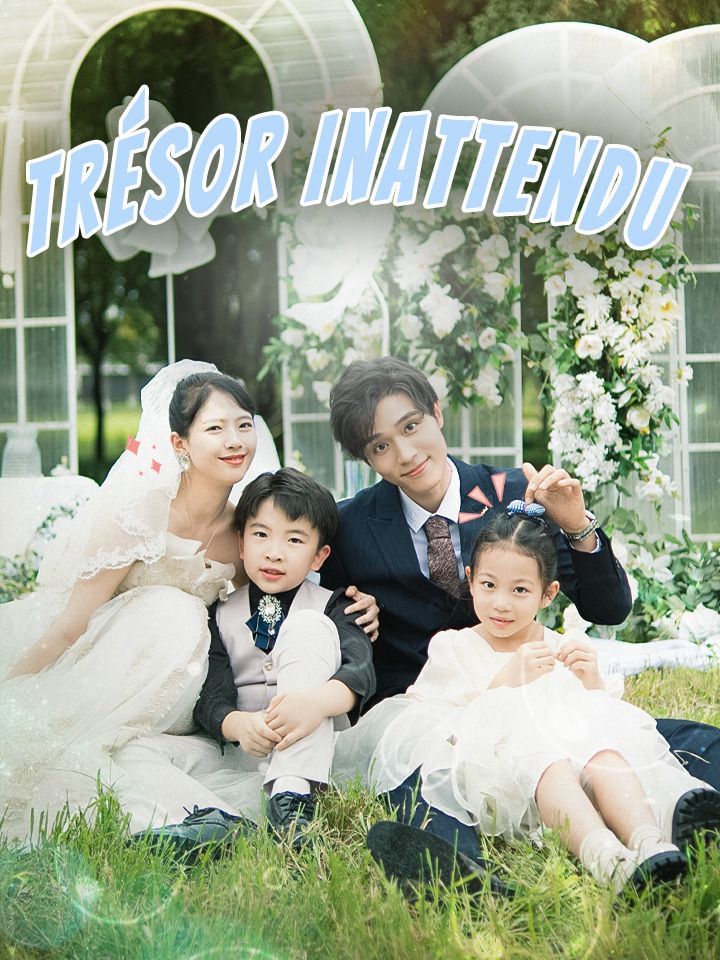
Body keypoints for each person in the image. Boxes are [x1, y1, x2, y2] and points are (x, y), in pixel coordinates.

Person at [323, 356, 720, 891]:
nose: (406, 453)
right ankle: (468, 878)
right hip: (436, 711)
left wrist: (576, 524)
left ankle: (680, 821)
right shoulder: (351, 525)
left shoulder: (514, 492)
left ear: (436, 412)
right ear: (366, 457)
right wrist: (349, 613)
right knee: (425, 782)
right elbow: (319, 605)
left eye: (411, 426)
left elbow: (609, 609)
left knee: (656, 741)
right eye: (380, 446)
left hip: (537, 698)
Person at [0, 361, 377, 845]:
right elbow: (69, 627)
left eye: (244, 425)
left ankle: (269, 803)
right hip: (108, 662)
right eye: (215, 429)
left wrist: (354, 603)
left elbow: (288, 581)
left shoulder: (245, 531)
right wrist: (15, 693)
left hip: (187, 687)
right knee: (172, 614)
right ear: (179, 443)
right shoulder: (135, 515)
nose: (235, 440)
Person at [336, 504, 720, 892]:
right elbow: (439, 732)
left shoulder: (560, 647)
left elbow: (604, 721)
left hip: (584, 768)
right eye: (489, 585)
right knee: (547, 761)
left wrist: (592, 683)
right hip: (511, 779)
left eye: (520, 590)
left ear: (547, 594)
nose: (501, 603)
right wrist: (504, 682)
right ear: (470, 581)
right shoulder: (456, 648)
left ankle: (650, 843)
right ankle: (606, 857)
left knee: (606, 753)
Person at [189, 468, 375, 849]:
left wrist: (315, 703)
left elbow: (360, 672)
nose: (274, 552)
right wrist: (237, 724)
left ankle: (291, 798)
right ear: (241, 544)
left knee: (308, 627)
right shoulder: (218, 612)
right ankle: (223, 825)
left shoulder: (336, 606)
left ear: (319, 556)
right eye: (261, 535)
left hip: (316, 749)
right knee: (151, 756)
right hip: (246, 749)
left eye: (294, 540)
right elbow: (210, 692)